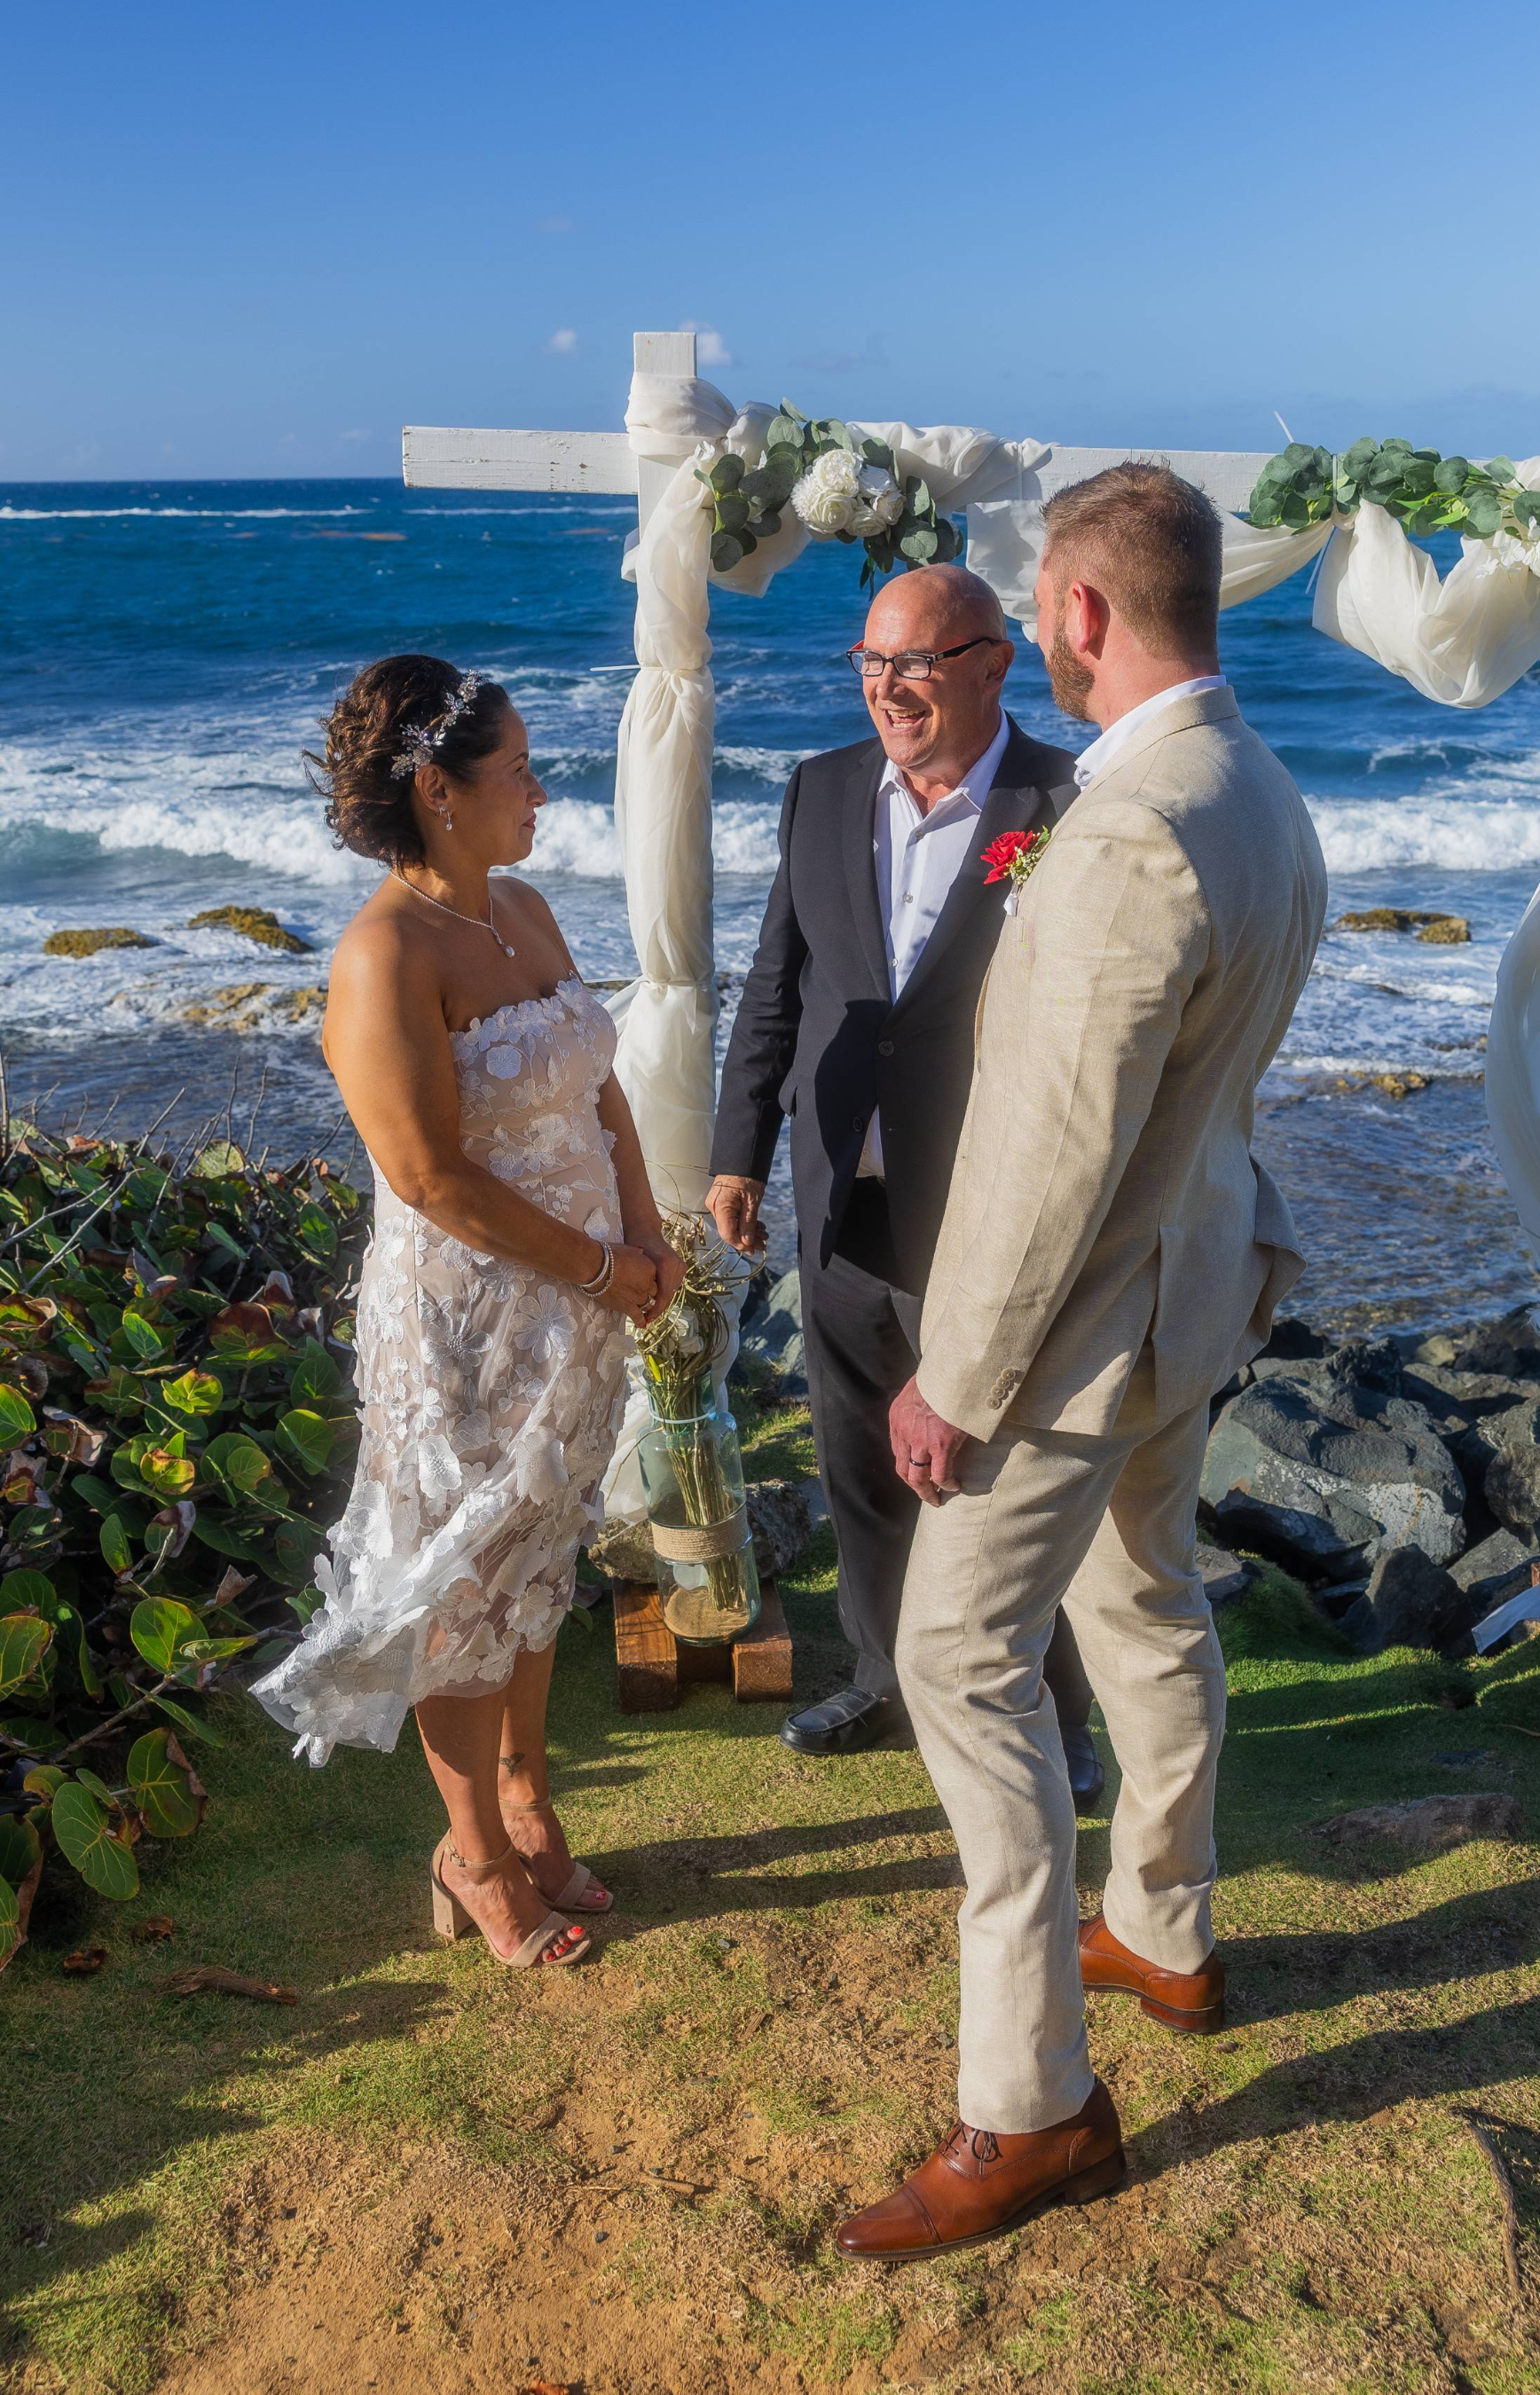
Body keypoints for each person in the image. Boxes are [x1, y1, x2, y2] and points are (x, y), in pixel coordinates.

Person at [834, 467, 1328, 2260]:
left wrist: (952, 1381)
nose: (1045, 631)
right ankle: (1167, 1933)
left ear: (1084, 614)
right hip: (1193, 1292)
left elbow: (1052, 1155)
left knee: (960, 1662)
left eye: (1045, 605)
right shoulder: (1258, 787)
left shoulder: (1130, 829)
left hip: (1079, 1335)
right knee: (1144, 1603)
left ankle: (1032, 2105)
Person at [253, 655, 684, 1972]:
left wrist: (645, 1230)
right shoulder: (382, 953)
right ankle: (474, 1856)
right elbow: (429, 1177)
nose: (541, 793)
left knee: (538, 1563)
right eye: (518, 773)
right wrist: (599, 1266)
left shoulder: (526, 909)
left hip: (581, 1307)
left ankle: (528, 1800)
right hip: (466, 1324)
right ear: (439, 792)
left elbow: (601, 1086)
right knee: (462, 1582)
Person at [705, 566, 1104, 1805]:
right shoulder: (821, 789)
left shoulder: (1069, 798)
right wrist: (738, 1149)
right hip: (839, 1187)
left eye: (916, 664)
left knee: (1009, 1474)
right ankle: (883, 1678)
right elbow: (777, 980)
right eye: (871, 664)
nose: (888, 689)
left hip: (986, 1204)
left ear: (994, 664)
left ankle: (1060, 1712)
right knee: (860, 1460)